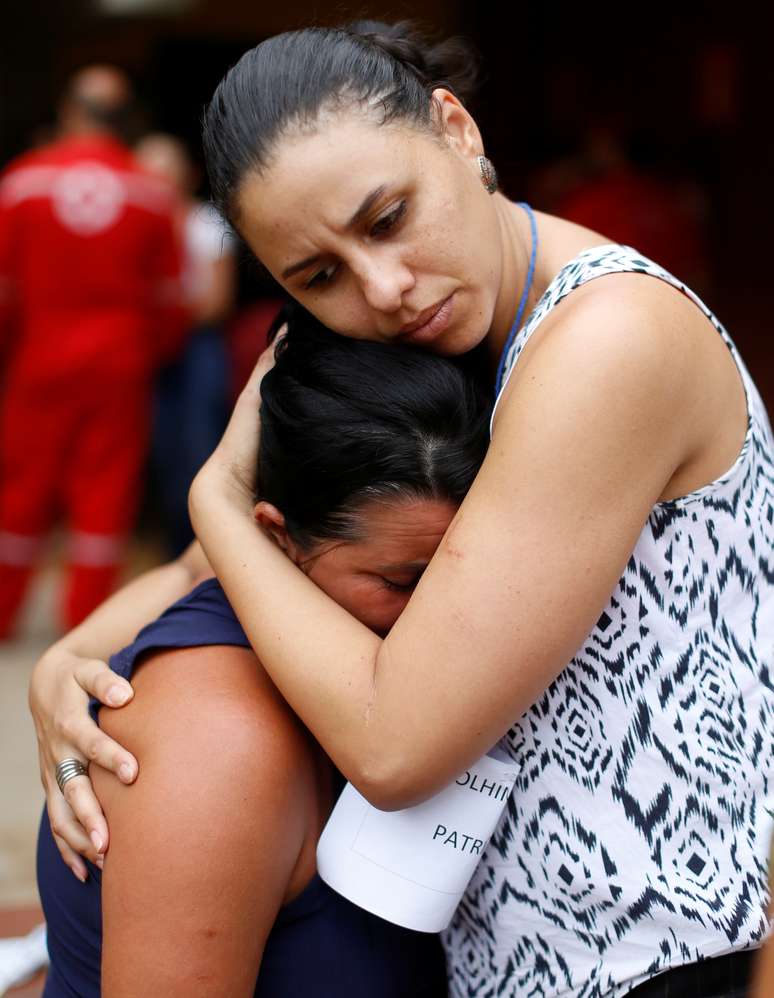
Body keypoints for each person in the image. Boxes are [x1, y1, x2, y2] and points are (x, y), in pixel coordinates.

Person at [29, 21, 773, 998]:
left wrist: (212, 493)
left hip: (660, 962)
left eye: (387, 217)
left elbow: (395, 743)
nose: (382, 287)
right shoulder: (447, 322)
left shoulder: (606, 340)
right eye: (317, 276)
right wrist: (66, 662)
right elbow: (244, 565)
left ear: (455, 129)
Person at [38, 306, 474, 996]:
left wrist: (63, 660)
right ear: (272, 540)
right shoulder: (217, 736)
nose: (445, 615)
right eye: (400, 582)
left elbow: (189, 565)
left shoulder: (335, 616)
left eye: (466, 575)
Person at [0, 66, 188, 635]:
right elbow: (173, 299)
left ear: (67, 111)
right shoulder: (153, 194)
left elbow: (3, 291)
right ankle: (83, 623)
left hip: (38, 359)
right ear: (126, 121)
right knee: (105, 494)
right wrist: (147, 354)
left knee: (19, 489)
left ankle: (3, 614)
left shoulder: (21, 182)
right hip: (120, 365)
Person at [134, 133, 237, 556]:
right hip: (144, 349)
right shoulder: (130, 227)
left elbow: (215, 302)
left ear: (188, 176)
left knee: (197, 450)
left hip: (196, 348)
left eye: (165, 173)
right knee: (153, 454)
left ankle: (205, 553)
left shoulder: (206, 222)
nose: (156, 184)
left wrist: (160, 309)